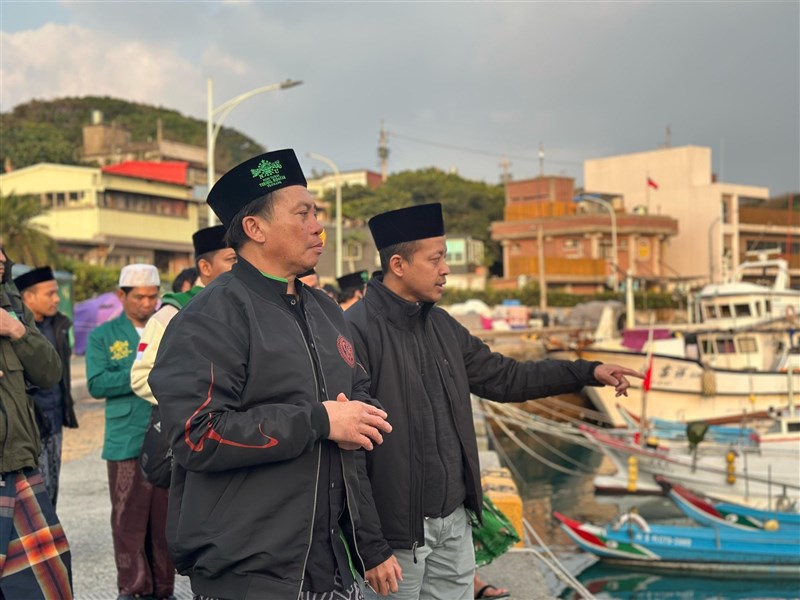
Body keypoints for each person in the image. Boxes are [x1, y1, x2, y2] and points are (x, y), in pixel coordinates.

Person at [345, 203, 644, 599]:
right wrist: (370, 547)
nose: (446, 269)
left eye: (445, 258)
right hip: (396, 537)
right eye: (436, 259)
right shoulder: (354, 333)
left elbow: (507, 378)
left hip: (454, 523)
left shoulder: (442, 326)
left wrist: (587, 372)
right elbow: (347, 455)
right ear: (398, 264)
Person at [148, 149, 398, 600]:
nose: (318, 225)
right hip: (249, 567)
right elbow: (195, 435)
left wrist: (363, 417)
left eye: (316, 212)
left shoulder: (323, 308)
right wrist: (319, 422)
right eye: (303, 213)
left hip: (327, 558)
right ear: (255, 228)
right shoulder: (212, 315)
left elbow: (356, 396)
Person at [85, 264, 174, 600]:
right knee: (128, 520)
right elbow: (95, 382)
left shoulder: (165, 327)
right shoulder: (102, 336)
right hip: (125, 439)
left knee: (163, 520)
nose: (147, 303)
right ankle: (134, 588)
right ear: (121, 296)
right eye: (139, 297)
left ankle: (164, 587)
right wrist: (141, 372)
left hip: (164, 437)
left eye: (153, 296)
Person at [0, 240, 73, 598]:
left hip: (18, 464)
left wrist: (15, 330)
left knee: (48, 584)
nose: (2, 259)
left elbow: (49, 372)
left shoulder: (11, 304)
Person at [131, 225, 236, 405]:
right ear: (205, 267)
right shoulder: (173, 312)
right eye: (232, 259)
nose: (240, 266)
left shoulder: (247, 306)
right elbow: (141, 378)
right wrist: (199, 399)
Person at [13, 266, 79, 508]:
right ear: (28, 297)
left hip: (55, 419)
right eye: (50, 293)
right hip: (30, 424)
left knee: (52, 489)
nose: (57, 298)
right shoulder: (15, 330)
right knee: (32, 496)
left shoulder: (58, 325)